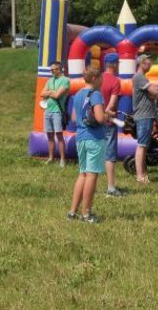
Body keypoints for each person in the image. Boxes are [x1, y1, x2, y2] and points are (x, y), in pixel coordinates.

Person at [68, 66, 108, 223]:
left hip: (81, 137)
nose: (102, 81)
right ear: (94, 79)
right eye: (101, 78)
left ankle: (72, 212)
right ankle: (86, 214)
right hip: (95, 138)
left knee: (83, 174)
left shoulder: (78, 94)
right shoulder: (96, 94)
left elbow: (73, 118)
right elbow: (99, 118)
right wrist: (106, 115)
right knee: (92, 175)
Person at [99, 53, 125, 197]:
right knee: (109, 154)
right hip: (108, 122)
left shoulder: (98, 78)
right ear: (114, 64)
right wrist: (108, 114)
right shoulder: (115, 81)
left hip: (96, 121)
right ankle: (110, 187)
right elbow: (111, 104)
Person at [131, 54, 158, 183]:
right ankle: (140, 175)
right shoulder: (139, 77)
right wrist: (156, 89)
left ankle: (143, 173)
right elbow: (155, 92)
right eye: (148, 62)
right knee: (142, 146)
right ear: (142, 63)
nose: (151, 64)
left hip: (146, 115)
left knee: (145, 146)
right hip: (143, 115)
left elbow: (153, 94)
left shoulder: (142, 78)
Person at [40, 61, 70, 167]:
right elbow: (41, 93)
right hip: (48, 111)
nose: (51, 71)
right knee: (49, 135)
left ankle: (62, 159)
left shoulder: (65, 80)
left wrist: (49, 92)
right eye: (50, 70)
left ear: (59, 69)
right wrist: (51, 92)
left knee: (59, 135)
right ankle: (51, 157)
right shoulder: (50, 80)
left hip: (57, 111)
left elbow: (57, 95)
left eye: (53, 69)